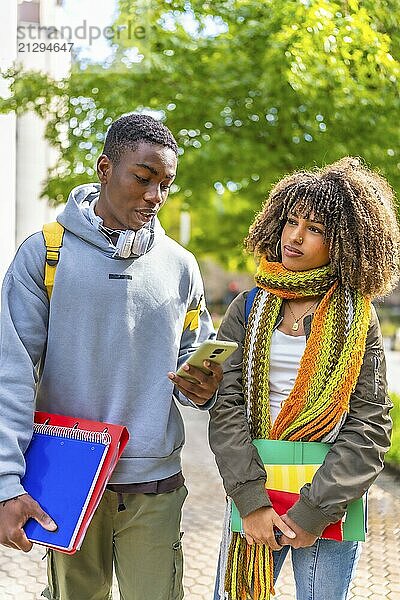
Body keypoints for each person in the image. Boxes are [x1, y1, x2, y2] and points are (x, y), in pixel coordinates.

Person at [0, 113, 223, 600]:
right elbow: (10, 377)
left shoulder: (181, 265)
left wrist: (203, 387)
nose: (155, 196)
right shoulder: (45, 254)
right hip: (67, 480)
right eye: (143, 178)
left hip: (155, 483)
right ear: (104, 167)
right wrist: (7, 483)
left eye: (165, 184)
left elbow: (193, 354)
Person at [209, 157, 400, 600]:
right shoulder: (248, 308)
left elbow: (369, 424)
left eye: (314, 228)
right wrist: (252, 503)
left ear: (346, 241)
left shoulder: (358, 316)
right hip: (253, 491)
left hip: (328, 499)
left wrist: (314, 513)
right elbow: (228, 409)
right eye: (290, 221)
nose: (294, 237)